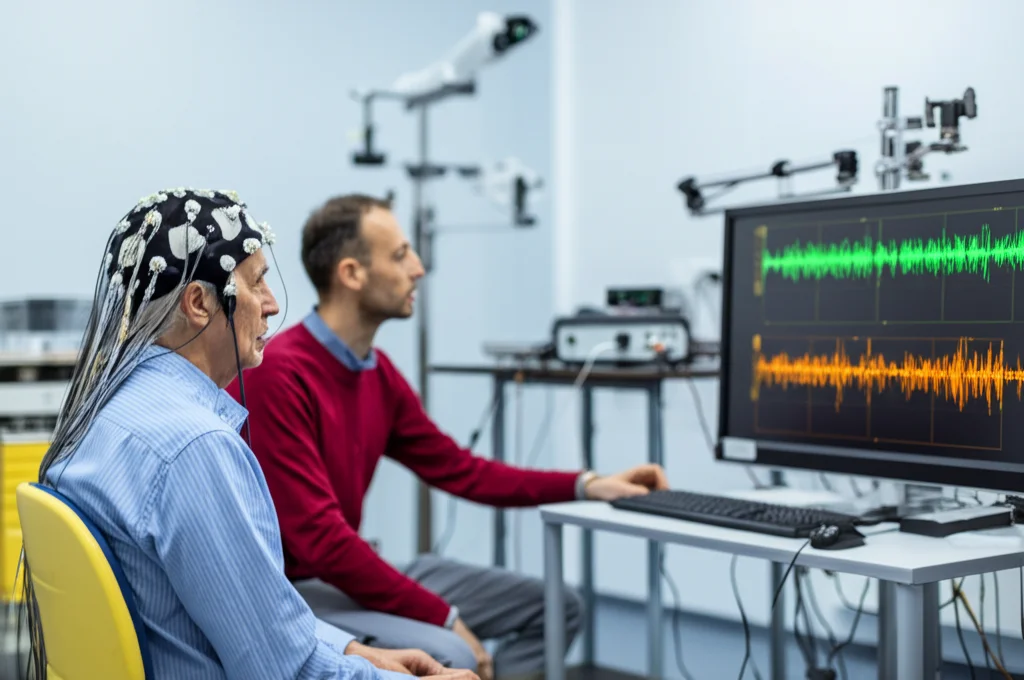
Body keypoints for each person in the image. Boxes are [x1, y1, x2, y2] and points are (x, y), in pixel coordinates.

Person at [27, 188, 477, 680]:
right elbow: (283, 670)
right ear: (199, 303)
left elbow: (261, 620)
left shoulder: (104, 409)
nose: (272, 305)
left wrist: (353, 650)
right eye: (258, 283)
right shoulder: (195, 449)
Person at [228, 194, 670, 679]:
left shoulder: (378, 375)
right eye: (400, 255)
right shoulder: (278, 374)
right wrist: (444, 617)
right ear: (352, 274)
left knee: (557, 608)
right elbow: (322, 542)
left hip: (346, 570)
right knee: (451, 654)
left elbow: (463, 470)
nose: (418, 269)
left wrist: (587, 483)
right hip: (301, 586)